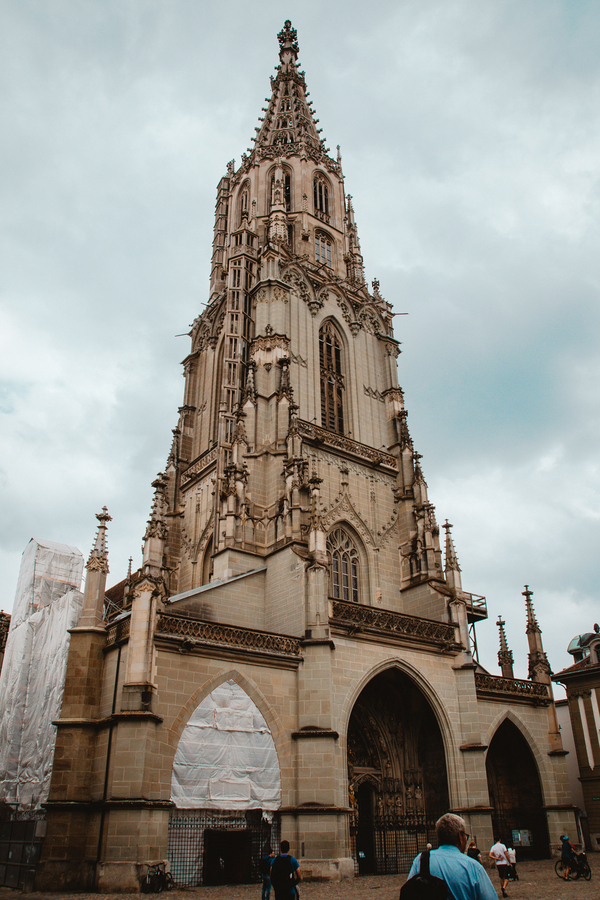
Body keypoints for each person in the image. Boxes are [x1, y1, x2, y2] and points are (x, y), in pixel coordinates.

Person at [406, 813, 497, 900]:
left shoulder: (421, 860)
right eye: (465, 836)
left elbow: (409, 893)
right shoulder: (473, 867)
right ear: (460, 836)